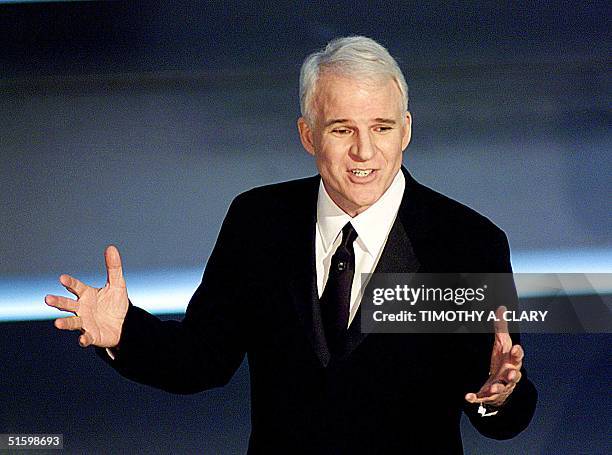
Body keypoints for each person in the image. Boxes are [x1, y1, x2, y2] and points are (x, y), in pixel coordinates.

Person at [45, 36, 537, 453]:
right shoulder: (259, 223)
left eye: (381, 129)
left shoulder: (467, 243)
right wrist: (124, 331)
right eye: (343, 129)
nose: (364, 152)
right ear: (307, 135)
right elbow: (201, 359)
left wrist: (499, 396)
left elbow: (499, 399)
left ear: (405, 129)